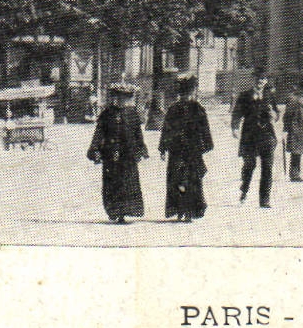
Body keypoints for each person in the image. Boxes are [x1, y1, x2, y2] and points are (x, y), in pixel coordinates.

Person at [86, 84, 148, 224]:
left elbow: (138, 134)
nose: (122, 101)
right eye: (119, 98)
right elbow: (99, 133)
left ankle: (125, 210)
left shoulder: (132, 114)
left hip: (129, 155)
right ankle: (115, 211)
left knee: (127, 183)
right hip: (110, 155)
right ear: (115, 98)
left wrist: (141, 148)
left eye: (125, 98)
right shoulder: (107, 114)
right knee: (112, 183)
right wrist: (95, 149)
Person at [159, 75, 214, 222]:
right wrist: (163, 147)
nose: (186, 96)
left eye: (187, 93)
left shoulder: (196, 108)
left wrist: (206, 144)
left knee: (190, 180)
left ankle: (188, 210)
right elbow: (166, 129)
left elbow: (205, 129)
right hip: (179, 150)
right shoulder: (175, 108)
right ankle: (180, 210)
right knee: (179, 180)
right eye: (184, 94)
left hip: (191, 150)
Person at [231, 73, 278, 208]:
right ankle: (244, 188)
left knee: (267, 167)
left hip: (267, 134)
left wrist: (273, 115)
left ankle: (264, 200)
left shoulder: (270, 96)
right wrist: (235, 127)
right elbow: (237, 113)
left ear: (266, 81)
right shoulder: (245, 96)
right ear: (253, 80)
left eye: (263, 79)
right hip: (250, 135)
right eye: (258, 79)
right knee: (249, 165)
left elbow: (276, 114)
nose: (260, 81)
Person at [283, 85, 303, 182]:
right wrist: (286, 128)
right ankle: (294, 174)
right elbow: (288, 115)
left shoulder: (300, 100)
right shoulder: (296, 100)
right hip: (297, 129)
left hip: (299, 129)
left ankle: (295, 174)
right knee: (296, 152)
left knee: (297, 152)